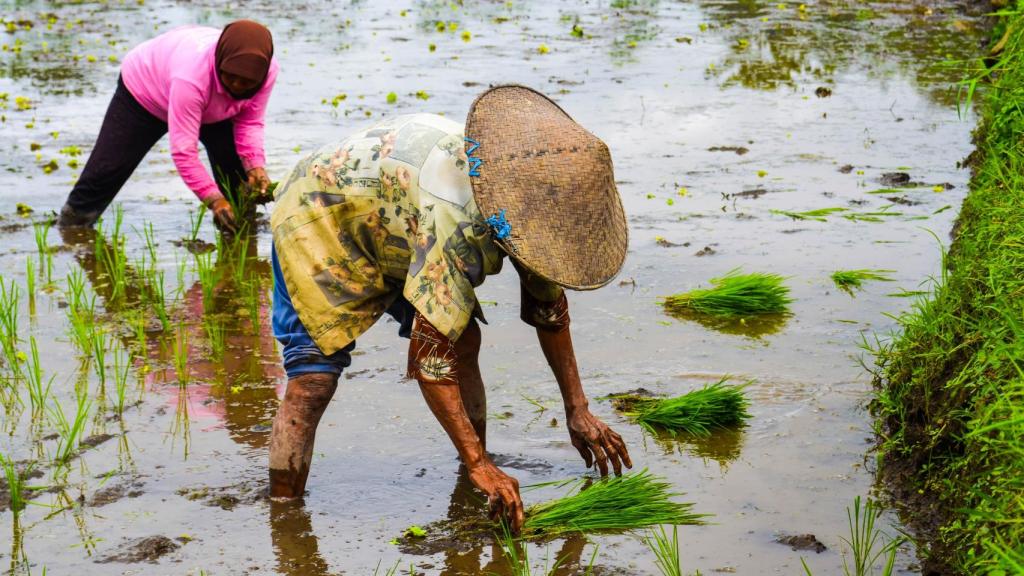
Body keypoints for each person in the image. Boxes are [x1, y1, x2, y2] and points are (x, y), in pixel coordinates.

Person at [267, 85, 632, 532]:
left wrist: (578, 408)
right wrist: (480, 462)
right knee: (313, 380)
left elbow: (549, 309)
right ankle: (283, 513)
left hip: (399, 211)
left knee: (464, 339)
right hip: (322, 209)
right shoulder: (458, 218)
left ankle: (474, 472)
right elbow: (429, 361)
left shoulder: (535, 209)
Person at [57, 20, 278, 233]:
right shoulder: (191, 78)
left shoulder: (266, 72)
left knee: (238, 182)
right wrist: (214, 200)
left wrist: (255, 165)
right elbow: (184, 152)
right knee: (105, 173)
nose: (238, 86)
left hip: (215, 107)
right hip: (145, 94)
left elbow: (250, 121)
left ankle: (240, 241)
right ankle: (71, 230)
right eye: (230, 77)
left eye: (246, 82)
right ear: (220, 61)